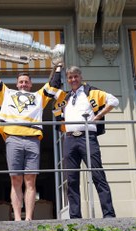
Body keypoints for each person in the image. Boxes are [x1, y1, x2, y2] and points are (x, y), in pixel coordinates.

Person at [0, 56, 62, 221]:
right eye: (21, 82)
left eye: (26, 82)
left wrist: (58, 68)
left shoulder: (38, 97)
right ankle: (18, 219)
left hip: (33, 139)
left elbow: (53, 86)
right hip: (13, 139)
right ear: (16, 83)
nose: (23, 84)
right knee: (15, 179)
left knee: (30, 180)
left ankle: (28, 219)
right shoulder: (7, 94)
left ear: (31, 84)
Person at [53, 66, 118, 219]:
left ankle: (109, 215)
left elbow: (114, 101)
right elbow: (51, 87)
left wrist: (99, 116)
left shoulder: (91, 91)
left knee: (98, 175)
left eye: (75, 76)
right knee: (72, 179)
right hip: (69, 138)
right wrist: (57, 67)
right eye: (70, 77)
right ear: (67, 80)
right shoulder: (65, 97)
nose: (73, 80)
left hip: (87, 137)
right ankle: (75, 217)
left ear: (80, 77)